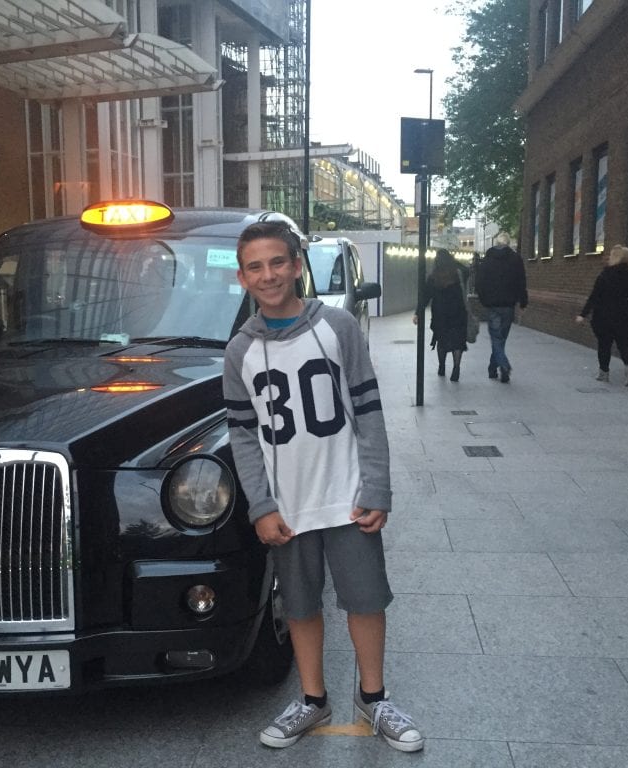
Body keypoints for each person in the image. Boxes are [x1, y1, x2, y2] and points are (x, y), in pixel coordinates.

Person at [223, 221, 423, 753]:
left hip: (346, 496)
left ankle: (373, 696)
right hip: (288, 507)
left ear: (295, 265)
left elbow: (369, 411)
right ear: (242, 277)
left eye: (277, 262)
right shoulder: (239, 351)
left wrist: (376, 487)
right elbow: (243, 437)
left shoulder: (336, 327)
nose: (268, 275)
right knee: (301, 606)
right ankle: (314, 700)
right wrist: (260, 506)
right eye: (255, 267)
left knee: (365, 600)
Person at [575, 244, 628, 386]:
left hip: (604, 315)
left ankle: (604, 373)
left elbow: (594, 296)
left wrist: (583, 314)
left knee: (604, 345)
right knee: (625, 344)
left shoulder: (605, 274)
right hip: (627, 315)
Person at [476, 231, 528, 383]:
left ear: (496, 243)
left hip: (492, 305)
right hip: (509, 305)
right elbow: (521, 282)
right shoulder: (516, 260)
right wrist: (523, 301)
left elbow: (479, 282)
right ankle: (493, 368)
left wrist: (483, 300)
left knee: (496, 338)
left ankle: (502, 365)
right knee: (501, 338)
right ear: (509, 243)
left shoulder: (487, 260)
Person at [413, 248, 469, 381]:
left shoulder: (433, 277)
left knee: (441, 341)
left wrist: (417, 313)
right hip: (458, 313)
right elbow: (467, 270)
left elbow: (425, 297)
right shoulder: (458, 274)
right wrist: (454, 261)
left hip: (440, 314)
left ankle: (442, 366)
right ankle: (456, 368)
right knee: (458, 342)